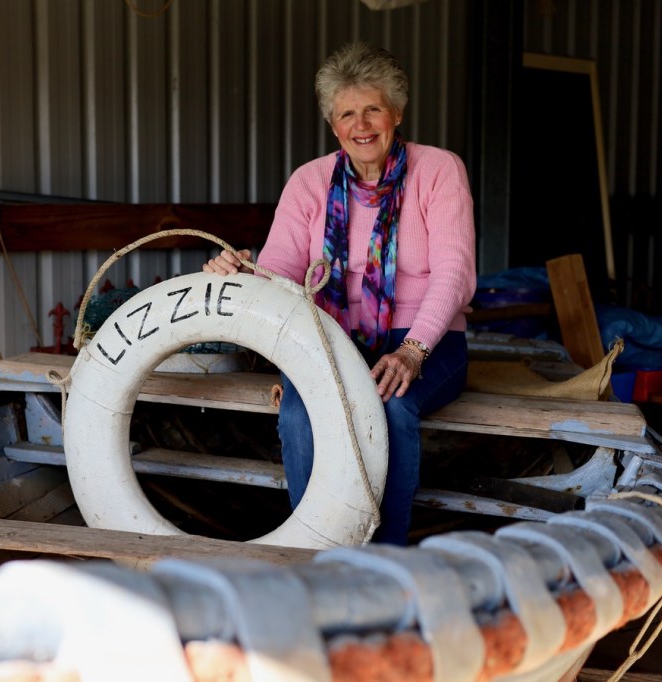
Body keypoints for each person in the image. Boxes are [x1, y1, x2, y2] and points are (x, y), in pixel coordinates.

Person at [203, 41, 476, 545]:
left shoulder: (439, 171)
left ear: (397, 113)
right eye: (347, 113)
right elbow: (279, 272)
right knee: (299, 411)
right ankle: (318, 551)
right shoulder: (309, 182)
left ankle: (384, 558)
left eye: (373, 109)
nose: (361, 124)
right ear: (333, 125)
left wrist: (412, 351)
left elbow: (454, 273)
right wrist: (239, 272)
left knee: (392, 407)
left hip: (426, 341)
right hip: (331, 337)